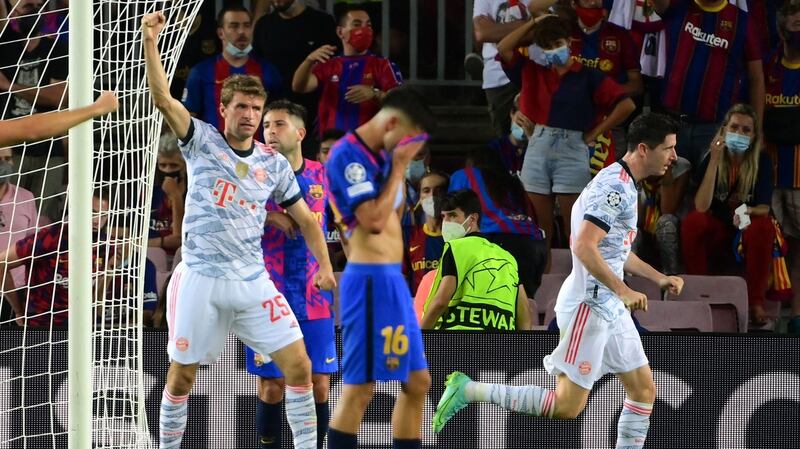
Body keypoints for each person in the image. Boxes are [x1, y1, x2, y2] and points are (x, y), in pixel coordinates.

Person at [432, 113, 684, 449]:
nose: (673, 157)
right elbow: (583, 246)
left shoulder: (624, 184)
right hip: (589, 306)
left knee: (643, 391)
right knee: (567, 406)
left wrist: (659, 277)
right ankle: (469, 389)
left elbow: (615, 251)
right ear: (642, 149)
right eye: (668, 148)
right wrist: (622, 289)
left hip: (609, 306)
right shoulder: (613, 188)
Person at [142, 11, 335, 449]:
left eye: (256, 108)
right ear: (224, 108)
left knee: (301, 367)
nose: (250, 115)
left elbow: (306, 218)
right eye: (242, 107)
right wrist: (152, 43)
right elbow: (162, 99)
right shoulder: (201, 140)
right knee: (182, 376)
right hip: (201, 278)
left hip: (252, 281)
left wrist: (324, 265)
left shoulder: (272, 163)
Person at [324, 86, 435, 449]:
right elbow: (372, 219)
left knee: (418, 382)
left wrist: (397, 167)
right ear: (390, 123)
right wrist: (400, 166)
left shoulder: (383, 157)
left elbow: (394, 216)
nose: (409, 151)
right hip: (369, 279)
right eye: (408, 140)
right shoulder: (347, 156)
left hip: (392, 280)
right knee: (361, 388)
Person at [497, 14, 635, 268]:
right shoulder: (532, 71)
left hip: (573, 148)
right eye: (546, 46)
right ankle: (543, 285)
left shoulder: (589, 75)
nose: (552, 50)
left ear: (569, 42)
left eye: (556, 43)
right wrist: (534, 23)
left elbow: (626, 105)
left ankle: (579, 286)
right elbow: (503, 47)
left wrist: (594, 134)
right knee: (539, 229)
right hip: (538, 145)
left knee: (577, 227)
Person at [245, 100, 337, 449]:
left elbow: (346, 225)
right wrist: (270, 217)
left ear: (299, 133)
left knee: (319, 385)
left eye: (278, 124)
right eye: (266, 124)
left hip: (315, 294)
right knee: (271, 388)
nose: (269, 130)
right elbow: (229, 215)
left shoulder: (323, 176)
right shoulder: (251, 173)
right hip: (268, 295)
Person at [681, 104, 775, 327]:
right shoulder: (711, 158)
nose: (739, 134)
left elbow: (765, 207)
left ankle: (755, 302)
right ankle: (699, 292)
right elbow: (701, 206)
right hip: (719, 231)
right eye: (734, 128)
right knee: (693, 222)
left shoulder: (762, 161)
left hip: (745, 232)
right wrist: (714, 159)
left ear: (753, 136)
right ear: (724, 130)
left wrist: (748, 211)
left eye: (746, 130)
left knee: (763, 226)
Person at [652, 0, 764, 170]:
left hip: (715, 129)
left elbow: (756, 78)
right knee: (669, 195)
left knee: (709, 193)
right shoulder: (677, 6)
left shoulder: (743, 22)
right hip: (672, 124)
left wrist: (757, 128)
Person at [420, 189, 532, 331]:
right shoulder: (508, 258)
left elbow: (441, 302)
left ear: (473, 218)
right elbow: (525, 316)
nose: (446, 223)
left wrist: (418, 341)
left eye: (453, 215)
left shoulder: (456, 248)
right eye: (443, 217)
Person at [0, 189, 113, 327]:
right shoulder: (48, 239)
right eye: (93, 213)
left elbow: (100, 281)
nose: (97, 221)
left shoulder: (105, 246)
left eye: (103, 216)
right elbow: (1, 262)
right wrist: (18, 310)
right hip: (39, 325)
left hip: (78, 326)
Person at [0, 0, 69, 221]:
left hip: (49, 151)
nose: (29, 12)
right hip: (10, 151)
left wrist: (9, 86)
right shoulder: (3, 48)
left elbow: (59, 97)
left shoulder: (57, 49)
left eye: (34, 7)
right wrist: (40, 92)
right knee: (9, 218)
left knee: (44, 221)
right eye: (24, 6)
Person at [292, 6, 403, 138]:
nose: (365, 29)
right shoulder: (328, 65)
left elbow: (400, 103)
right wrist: (308, 60)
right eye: (357, 24)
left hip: (369, 146)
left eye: (368, 25)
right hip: (331, 146)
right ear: (340, 32)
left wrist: (375, 93)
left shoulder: (383, 65)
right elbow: (299, 87)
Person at [449, 148, 546, 298]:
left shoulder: (464, 175)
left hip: (497, 242)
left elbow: (452, 210)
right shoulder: (512, 180)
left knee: (493, 305)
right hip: (534, 247)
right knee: (523, 307)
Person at [182, 4, 282, 132]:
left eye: (246, 25)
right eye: (234, 26)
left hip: (258, 150)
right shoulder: (200, 72)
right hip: (213, 150)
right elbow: (189, 117)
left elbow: (279, 113)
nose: (241, 31)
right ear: (221, 33)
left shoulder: (269, 71)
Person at [252, 0, 339, 143]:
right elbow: (256, 67)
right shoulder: (264, 25)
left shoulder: (322, 22)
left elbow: (335, 68)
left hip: (313, 118)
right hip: (273, 117)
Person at [765, 0, 800, 334]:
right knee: (776, 245)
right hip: (772, 171)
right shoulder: (768, 64)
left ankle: (798, 317)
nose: (798, 20)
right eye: (791, 13)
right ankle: (770, 318)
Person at [472, 0, 532, 138]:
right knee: (508, 143)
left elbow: (543, 30)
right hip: (498, 78)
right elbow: (482, 33)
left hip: (537, 71)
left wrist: (497, 31)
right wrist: (527, 25)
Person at [0, 147, 37, 298]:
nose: (4, 164)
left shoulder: (26, 197)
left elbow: (33, 241)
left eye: (7, 159)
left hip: (18, 288)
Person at [405, 171, 448, 295]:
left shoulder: (460, 238)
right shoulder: (408, 235)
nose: (432, 196)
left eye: (439, 190)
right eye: (426, 190)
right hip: (417, 308)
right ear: (420, 197)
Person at [148, 132, 186, 255]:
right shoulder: (147, 194)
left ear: (185, 165)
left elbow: (179, 240)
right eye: (163, 165)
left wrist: (176, 197)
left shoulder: (195, 193)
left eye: (174, 165)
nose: (167, 170)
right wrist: (162, 242)